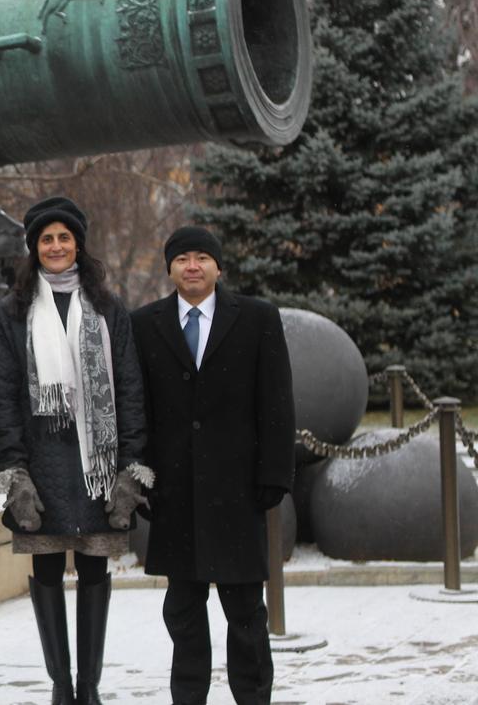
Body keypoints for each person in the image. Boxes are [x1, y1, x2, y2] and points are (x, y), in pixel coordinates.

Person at [0, 196, 151, 705]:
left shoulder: (107, 308)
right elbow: (0, 395)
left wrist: (131, 468)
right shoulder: (12, 314)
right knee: (47, 570)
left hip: (96, 467)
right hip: (42, 465)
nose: (56, 246)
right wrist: (14, 474)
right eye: (45, 238)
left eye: (64, 237)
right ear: (34, 248)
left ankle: (89, 687)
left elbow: (129, 388)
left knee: (97, 569)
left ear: (78, 243)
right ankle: (61, 685)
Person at [130, 226, 295, 705]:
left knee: (245, 609)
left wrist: (273, 475)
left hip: (238, 489)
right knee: (182, 608)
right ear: (170, 269)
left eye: (203, 257)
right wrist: (141, 478)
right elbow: (136, 408)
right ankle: (188, 696)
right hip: (174, 493)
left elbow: (277, 402)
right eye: (182, 258)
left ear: (219, 267)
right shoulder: (146, 324)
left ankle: (253, 695)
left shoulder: (257, 318)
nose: (193, 266)